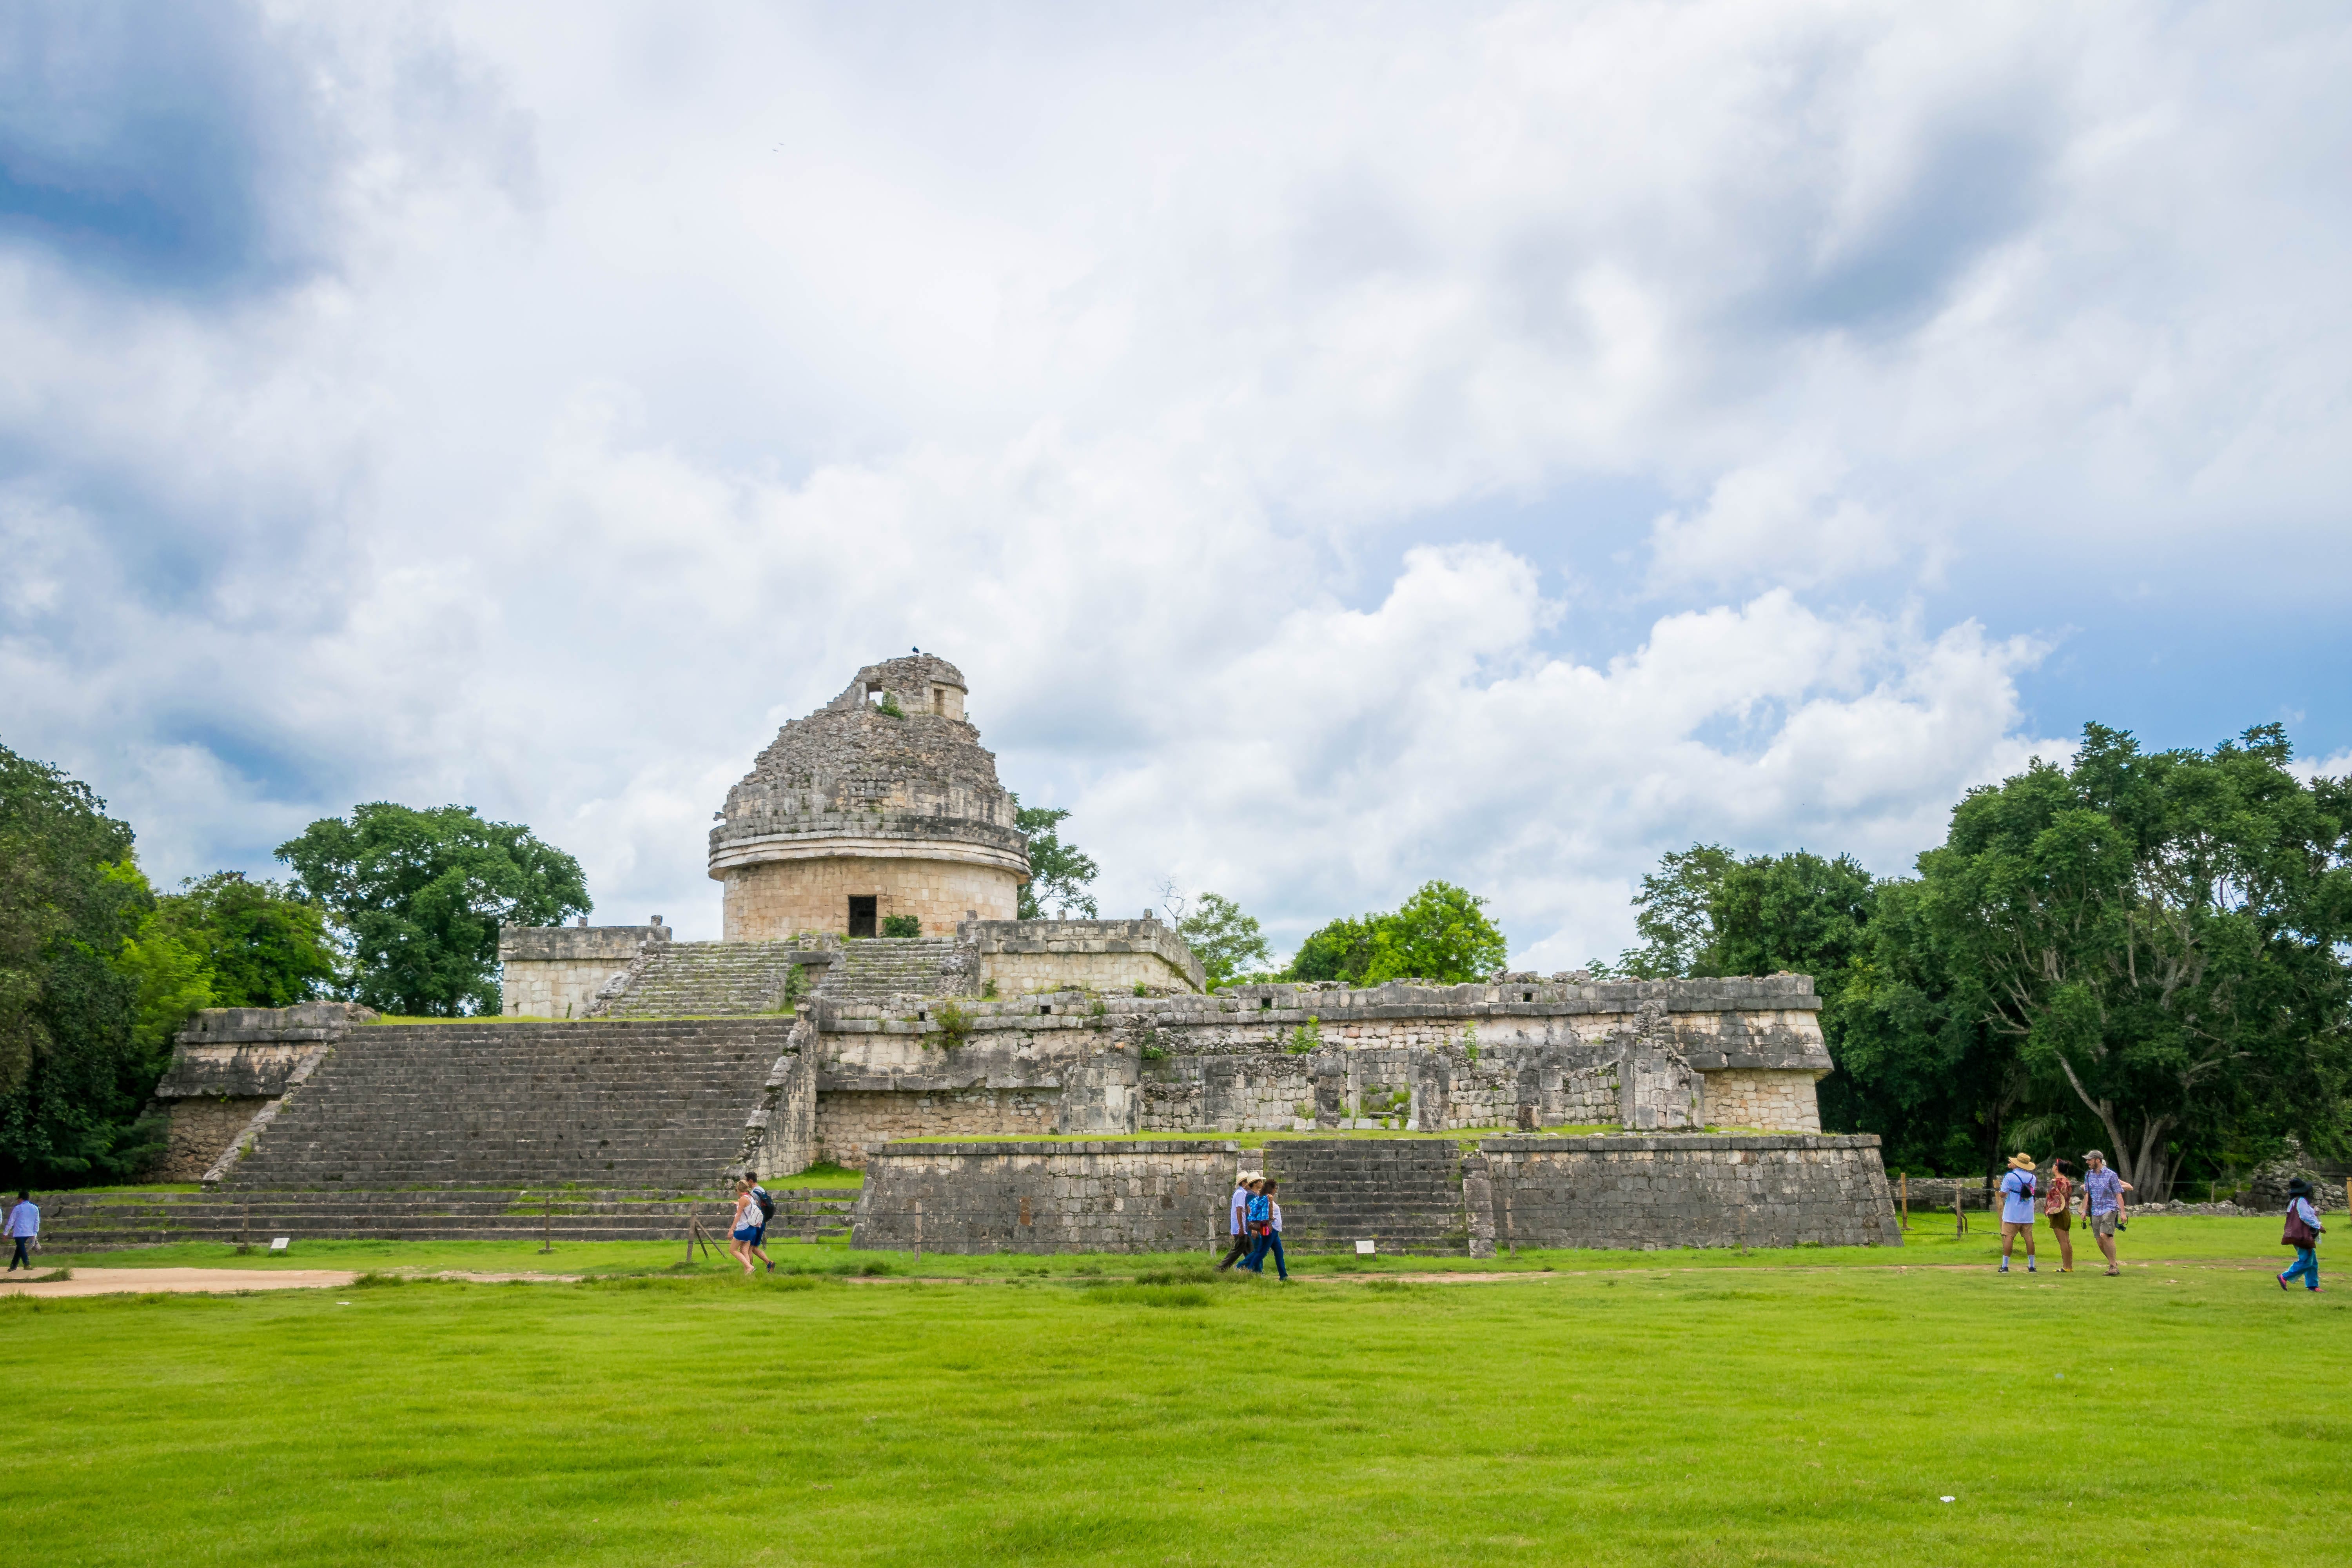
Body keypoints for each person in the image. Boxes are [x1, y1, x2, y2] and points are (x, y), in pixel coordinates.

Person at [2081, 1149, 2131, 1276]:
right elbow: (2088, 1194)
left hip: (2109, 1208)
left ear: (2098, 1160)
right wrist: (2085, 1211)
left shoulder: (2111, 1175)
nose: (2087, 1162)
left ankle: (2113, 1266)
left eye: (2090, 1160)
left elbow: (2118, 1194)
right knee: (2099, 1240)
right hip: (2095, 1210)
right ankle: (2113, 1264)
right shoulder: (2088, 1175)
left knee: (2105, 1235)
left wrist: (2123, 1213)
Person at [2279, 1177, 2325, 1293]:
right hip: (2302, 1236)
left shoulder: (2295, 1202)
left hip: (2297, 1235)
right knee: (2306, 1260)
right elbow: (2305, 1217)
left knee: (2313, 1262)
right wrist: (2319, 1226)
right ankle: (2285, 1276)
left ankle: (2313, 1285)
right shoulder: (2301, 1201)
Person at [1996, 1153, 2038, 1273]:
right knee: (2029, 1238)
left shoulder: (2010, 1176)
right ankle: (2032, 1266)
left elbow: (2002, 1194)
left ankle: (2005, 1266)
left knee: (2009, 1238)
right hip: (2027, 1214)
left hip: (2012, 1213)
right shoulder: (2032, 1178)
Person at [1241, 1179, 1288, 1280]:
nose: (1276, 1190)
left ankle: (1284, 1276)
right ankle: (1247, 1270)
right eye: (1275, 1188)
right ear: (1273, 1189)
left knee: (1279, 1253)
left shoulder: (1265, 1198)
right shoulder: (1266, 1199)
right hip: (1270, 1229)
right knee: (1261, 1252)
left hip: (1274, 1231)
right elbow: (1267, 1215)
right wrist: (1270, 1203)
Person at [1217, 1174, 1260, 1271]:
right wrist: (1241, 1227)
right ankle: (1221, 1269)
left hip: (1244, 1228)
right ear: (1244, 1183)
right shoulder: (1241, 1193)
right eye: (1248, 1182)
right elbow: (1239, 1210)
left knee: (1250, 1250)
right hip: (1241, 1228)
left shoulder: (1242, 1193)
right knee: (1238, 1250)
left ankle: (1253, 1270)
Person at [2042, 1158, 2076, 1274]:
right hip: (2066, 1211)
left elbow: (2052, 1199)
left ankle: (2066, 1267)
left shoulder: (2055, 1182)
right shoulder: (2067, 1181)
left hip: (2058, 1213)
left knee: (2063, 1241)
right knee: (2067, 1240)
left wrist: (2047, 1210)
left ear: (2056, 1168)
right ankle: (2069, 1266)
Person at [728, 1176, 763, 1276]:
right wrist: (739, 1204)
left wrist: (732, 1230)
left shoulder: (743, 1199)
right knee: (744, 1251)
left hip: (743, 1229)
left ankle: (749, 1267)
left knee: (732, 1250)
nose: (736, 1192)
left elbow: (738, 1215)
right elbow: (747, 1207)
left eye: (736, 1190)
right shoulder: (750, 1198)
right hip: (751, 1228)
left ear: (739, 1190)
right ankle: (748, 1273)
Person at [4, 1191, 35, 1271]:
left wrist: (6, 1233)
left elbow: (11, 1221)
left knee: (21, 1248)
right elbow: (37, 1221)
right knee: (19, 1248)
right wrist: (35, 1232)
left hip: (19, 1233)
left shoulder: (18, 1208)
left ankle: (27, 1264)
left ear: (21, 1199)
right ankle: (13, 1266)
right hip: (29, 1232)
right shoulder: (34, 1208)